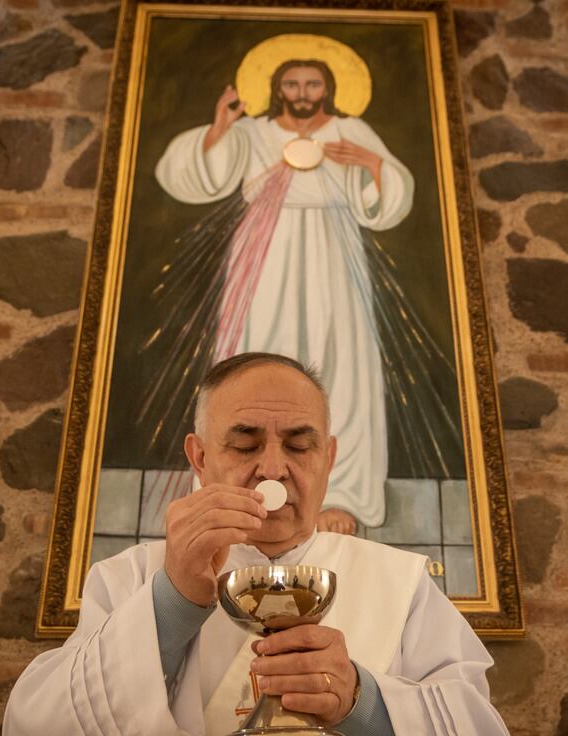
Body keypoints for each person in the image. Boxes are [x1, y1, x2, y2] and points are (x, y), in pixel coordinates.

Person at [3, 353, 512, 736]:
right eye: (245, 445)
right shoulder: (130, 577)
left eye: (299, 445)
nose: (273, 469)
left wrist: (361, 704)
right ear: (200, 457)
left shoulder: (400, 584)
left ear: (329, 458)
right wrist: (171, 602)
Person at [154, 52, 416, 534]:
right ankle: (234, 489)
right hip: (265, 248)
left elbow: (394, 193)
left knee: (341, 358)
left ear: (328, 88)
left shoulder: (351, 130)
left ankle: (339, 494)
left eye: (312, 84)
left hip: (333, 250)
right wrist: (218, 131)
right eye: (292, 83)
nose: (301, 93)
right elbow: (195, 177)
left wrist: (372, 163)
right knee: (256, 355)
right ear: (277, 87)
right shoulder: (253, 131)